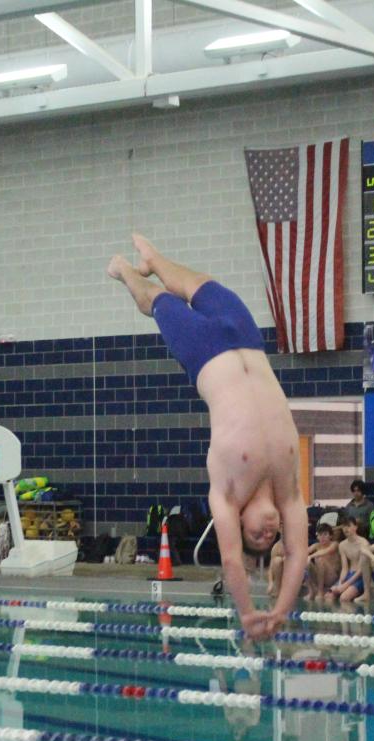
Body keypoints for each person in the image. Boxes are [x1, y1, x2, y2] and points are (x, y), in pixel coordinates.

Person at [108, 235, 307, 639]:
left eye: (256, 535)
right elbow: (299, 554)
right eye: (270, 538)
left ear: (239, 521)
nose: (266, 533)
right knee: (200, 283)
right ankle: (155, 258)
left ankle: (126, 273)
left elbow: (233, 562)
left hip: (204, 355)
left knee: (158, 302)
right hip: (249, 342)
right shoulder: (290, 490)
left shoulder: (226, 493)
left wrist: (250, 613)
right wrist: (283, 610)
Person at [329, 515, 374, 604]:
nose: (346, 529)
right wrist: (340, 583)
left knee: (344, 598)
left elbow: (362, 570)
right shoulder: (342, 545)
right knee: (329, 597)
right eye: (344, 526)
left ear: (355, 527)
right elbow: (345, 568)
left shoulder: (364, 543)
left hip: (360, 577)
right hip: (349, 574)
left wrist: (345, 585)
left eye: (349, 526)